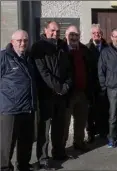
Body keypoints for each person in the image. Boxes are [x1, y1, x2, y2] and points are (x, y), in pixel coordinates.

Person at [32, 21, 73, 170]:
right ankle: (43, 158)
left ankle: (58, 152)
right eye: (52, 31)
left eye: (57, 31)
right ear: (45, 30)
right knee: (44, 128)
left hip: (61, 95)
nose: (55, 34)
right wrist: (58, 87)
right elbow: (42, 72)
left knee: (59, 126)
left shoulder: (62, 46)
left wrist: (66, 86)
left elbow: (69, 69)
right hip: (46, 94)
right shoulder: (38, 47)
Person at [0, 30, 36, 171]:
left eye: (25, 40)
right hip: (10, 108)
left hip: (27, 107)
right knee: (7, 143)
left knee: (26, 141)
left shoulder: (28, 58)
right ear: (12, 41)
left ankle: (23, 165)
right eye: (19, 40)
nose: (23, 43)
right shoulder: (4, 57)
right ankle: (4, 168)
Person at [63, 25, 95, 152]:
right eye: (71, 34)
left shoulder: (84, 50)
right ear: (66, 35)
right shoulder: (62, 49)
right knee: (64, 123)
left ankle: (79, 142)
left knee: (81, 121)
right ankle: (61, 148)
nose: (74, 37)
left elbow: (89, 70)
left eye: (76, 35)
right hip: (67, 93)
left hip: (82, 92)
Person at [86, 24, 109, 143]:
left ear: (102, 34)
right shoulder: (86, 48)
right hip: (91, 84)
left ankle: (104, 131)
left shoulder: (108, 47)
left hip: (104, 84)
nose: (96, 35)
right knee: (90, 111)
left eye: (98, 33)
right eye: (94, 33)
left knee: (104, 108)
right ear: (91, 35)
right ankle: (90, 132)